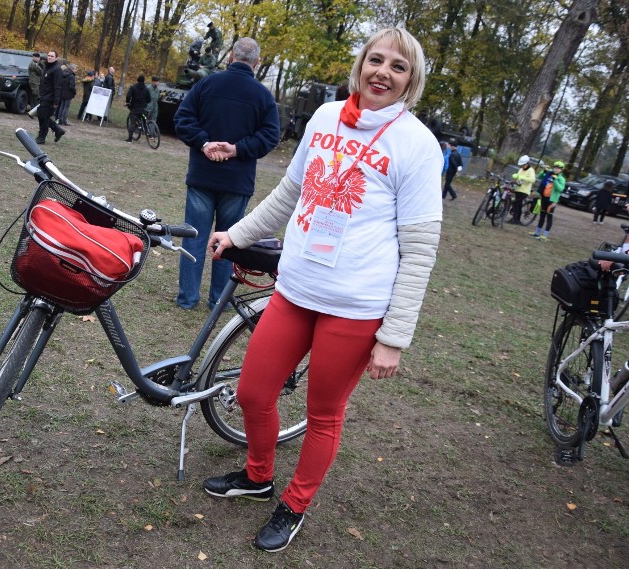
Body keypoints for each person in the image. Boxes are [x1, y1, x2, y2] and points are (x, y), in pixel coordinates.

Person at [202, 28, 442, 551]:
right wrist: (238, 233)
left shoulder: (418, 145)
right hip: (296, 287)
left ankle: (294, 504)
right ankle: (258, 475)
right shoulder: (326, 117)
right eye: (375, 60)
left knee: (323, 414)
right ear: (359, 66)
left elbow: (420, 248)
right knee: (252, 392)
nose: (382, 72)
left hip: (356, 308)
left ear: (411, 80)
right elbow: (291, 192)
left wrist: (394, 336)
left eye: (397, 67)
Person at [173, 37, 280, 311]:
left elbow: (182, 119)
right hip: (237, 181)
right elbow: (270, 136)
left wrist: (204, 143)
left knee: (194, 237)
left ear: (231, 57)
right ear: (256, 63)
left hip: (202, 176)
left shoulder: (206, 84)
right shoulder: (263, 96)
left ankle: (187, 298)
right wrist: (237, 150)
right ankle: (219, 300)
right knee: (231, 243)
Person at [35, 50, 66, 145]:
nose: (49, 57)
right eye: (48, 55)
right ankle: (57, 129)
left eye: (52, 56)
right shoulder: (47, 68)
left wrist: (56, 101)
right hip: (44, 96)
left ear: (56, 58)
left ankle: (42, 137)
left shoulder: (57, 70)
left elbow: (58, 86)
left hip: (50, 98)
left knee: (43, 116)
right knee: (42, 116)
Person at [530, 160, 566, 240]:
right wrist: (543, 172)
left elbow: (560, 189)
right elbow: (539, 177)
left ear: (561, 170)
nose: (556, 169)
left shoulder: (561, 179)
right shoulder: (549, 174)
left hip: (552, 200)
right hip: (544, 197)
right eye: (555, 168)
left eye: (558, 168)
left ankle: (545, 235)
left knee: (549, 217)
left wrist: (555, 180)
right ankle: (537, 233)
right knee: (542, 215)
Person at [507, 155, 536, 224]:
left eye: (523, 165)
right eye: (521, 165)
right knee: (518, 205)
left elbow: (532, 180)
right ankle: (515, 219)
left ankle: (516, 220)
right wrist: (515, 178)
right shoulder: (520, 169)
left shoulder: (531, 170)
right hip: (518, 189)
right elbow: (518, 178)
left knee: (516, 203)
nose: (522, 166)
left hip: (524, 191)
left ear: (527, 163)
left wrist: (522, 177)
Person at [124, 75, 151, 143]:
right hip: (143, 108)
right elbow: (149, 99)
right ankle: (147, 132)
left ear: (137, 80)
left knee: (132, 122)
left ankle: (130, 139)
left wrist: (128, 102)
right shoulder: (146, 89)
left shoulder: (133, 88)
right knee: (144, 119)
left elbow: (128, 96)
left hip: (135, 108)